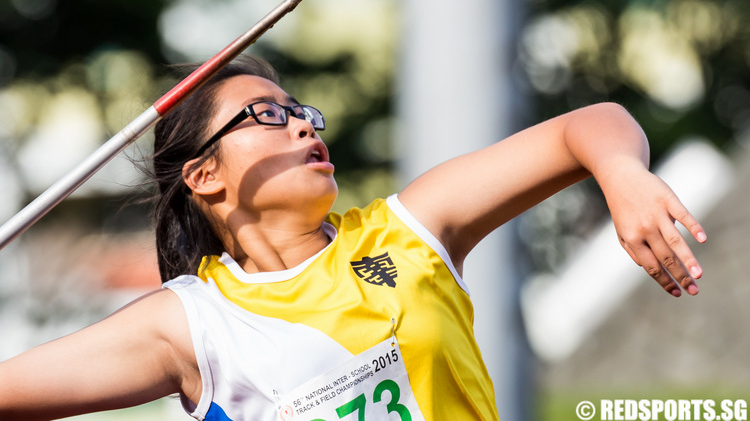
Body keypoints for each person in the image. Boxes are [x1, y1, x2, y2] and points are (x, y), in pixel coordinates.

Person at [0, 56, 706, 421]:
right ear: (206, 176)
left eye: (300, 111)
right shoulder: (191, 323)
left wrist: (621, 173)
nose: (304, 125)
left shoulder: (410, 229)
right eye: (265, 116)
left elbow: (590, 123)